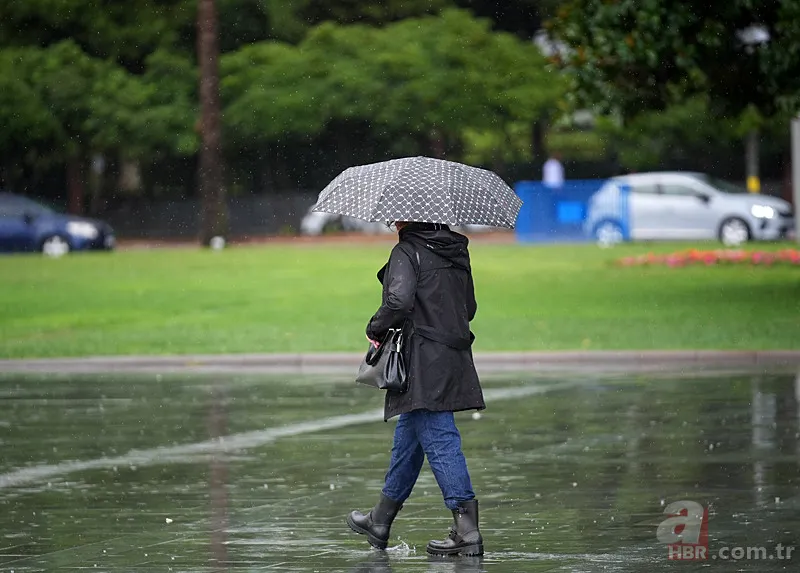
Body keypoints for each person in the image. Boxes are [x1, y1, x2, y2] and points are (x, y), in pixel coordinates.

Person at [346, 221, 485, 557]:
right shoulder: (456, 251)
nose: (393, 222)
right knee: (410, 436)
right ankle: (380, 519)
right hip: (452, 355)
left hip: (423, 359)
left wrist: (375, 327)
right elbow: (469, 308)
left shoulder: (407, 251)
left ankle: (467, 531)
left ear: (407, 217)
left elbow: (398, 300)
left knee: (440, 439)